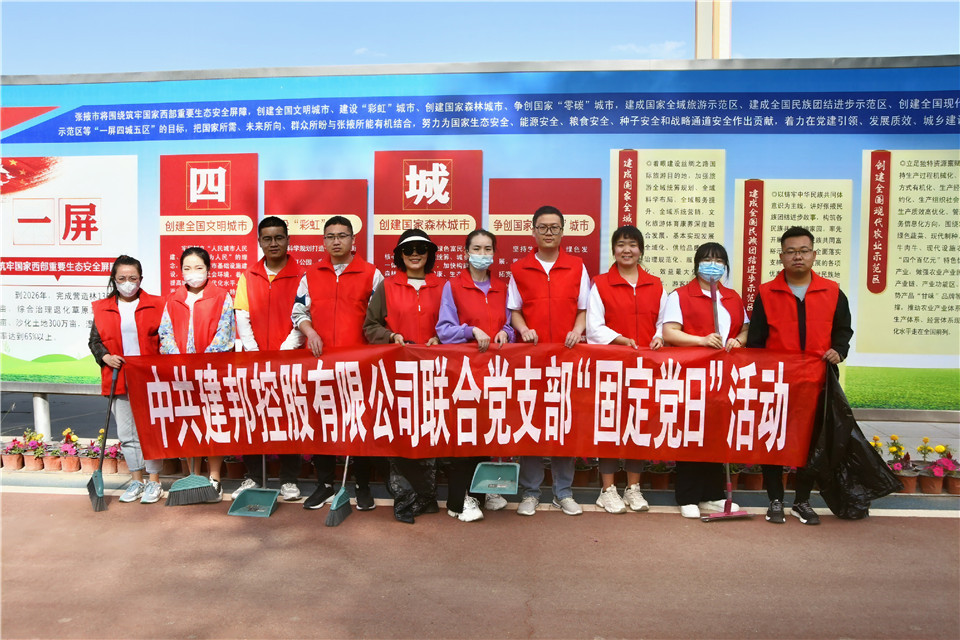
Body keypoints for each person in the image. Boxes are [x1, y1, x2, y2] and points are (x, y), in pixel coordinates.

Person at [747, 226, 853, 526]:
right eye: (791, 251)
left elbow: (843, 331)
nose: (798, 256)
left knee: (811, 443)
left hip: (818, 381)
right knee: (773, 439)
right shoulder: (766, 293)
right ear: (781, 257)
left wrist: (839, 350)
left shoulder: (832, 292)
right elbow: (756, 340)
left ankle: (802, 501)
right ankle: (775, 500)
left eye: (804, 251)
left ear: (814, 255)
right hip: (776, 382)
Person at [291, 216, 384, 511]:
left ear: (353, 240)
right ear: (323, 241)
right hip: (320, 362)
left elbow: (380, 319)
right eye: (330, 236)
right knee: (322, 422)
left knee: (360, 423)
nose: (336, 241)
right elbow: (298, 312)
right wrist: (310, 332)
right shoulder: (311, 274)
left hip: (359, 364)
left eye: (342, 235)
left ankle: (362, 485)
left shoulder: (372, 274)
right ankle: (325, 484)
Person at [508, 205, 589, 517]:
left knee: (564, 424)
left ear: (563, 231)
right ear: (533, 231)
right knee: (531, 422)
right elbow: (514, 310)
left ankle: (563, 492)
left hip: (568, 359)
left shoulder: (577, 266)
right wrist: (523, 329)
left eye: (554, 227)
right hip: (532, 360)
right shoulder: (519, 268)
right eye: (543, 227)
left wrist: (577, 331)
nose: (549, 233)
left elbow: (583, 309)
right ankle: (530, 492)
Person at [662, 242, 748, 519]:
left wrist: (738, 340)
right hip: (691, 376)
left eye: (719, 260)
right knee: (691, 432)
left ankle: (712, 495)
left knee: (716, 433)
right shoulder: (680, 296)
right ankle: (687, 496)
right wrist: (701, 340)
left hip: (724, 377)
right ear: (697, 264)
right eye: (707, 259)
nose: (713, 265)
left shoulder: (732, 297)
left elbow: (745, 328)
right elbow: (669, 332)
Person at [363, 228, 444, 524]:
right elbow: (370, 326)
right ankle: (405, 498)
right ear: (399, 255)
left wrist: (441, 338)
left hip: (434, 373)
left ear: (429, 254)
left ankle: (427, 496)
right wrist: (391, 336)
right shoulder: (387, 285)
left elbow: (453, 324)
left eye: (421, 249)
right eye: (408, 250)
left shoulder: (442, 286)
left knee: (428, 432)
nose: (415, 254)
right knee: (400, 433)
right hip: (397, 373)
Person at [436, 228, 515, 522]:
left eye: (487, 249)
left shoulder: (502, 288)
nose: (482, 254)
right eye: (477, 249)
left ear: (494, 253)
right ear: (466, 252)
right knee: (464, 434)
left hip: (494, 373)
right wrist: (470, 330)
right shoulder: (453, 286)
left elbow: (510, 324)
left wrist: (506, 333)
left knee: (486, 431)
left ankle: (481, 491)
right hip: (463, 374)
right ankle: (459, 500)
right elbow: (444, 330)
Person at [586, 225, 664, 514]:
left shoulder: (655, 285)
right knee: (609, 426)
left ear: (640, 250)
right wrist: (619, 339)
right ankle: (607, 490)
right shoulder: (601, 284)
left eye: (632, 244)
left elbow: (664, 322)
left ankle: (633, 488)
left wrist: (659, 336)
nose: (626, 250)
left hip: (645, 369)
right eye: (621, 244)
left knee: (638, 426)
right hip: (610, 368)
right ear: (614, 250)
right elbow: (594, 327)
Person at [231, 216, 306, 502]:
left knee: (289, 419)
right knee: (253, 418)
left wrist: (283, 352)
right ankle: (254, 476)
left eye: (279, 237)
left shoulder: (302, 276)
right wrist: (256, 353)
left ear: (288, 239)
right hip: (254, 361)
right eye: (267, 238)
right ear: (259, 241)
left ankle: (289, 479)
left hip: (290, 360)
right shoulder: (248, 276)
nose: (273, 243)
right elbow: (242, 316)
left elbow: (304, 316)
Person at [159, 246, 236, 501]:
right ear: (181, 271)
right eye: (187, 268)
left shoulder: (221, 296)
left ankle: (214, 478)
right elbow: (165, 334)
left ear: (208, 269)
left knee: (213, 424)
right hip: (182, 375)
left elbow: (225, 334)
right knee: (189, 424)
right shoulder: (173, 299)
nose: (193, 272)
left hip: (211, 373)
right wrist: (181, 363)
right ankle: (194, 476)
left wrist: (202, 364)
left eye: (199, 267)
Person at [88, 256, 165, 504]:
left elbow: (166, 338)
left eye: (133, 278)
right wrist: (106, 357)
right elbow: (94, 341)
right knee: (127, 433)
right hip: (118, 377)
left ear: (141, 279)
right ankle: (136, 480)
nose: (127, 283)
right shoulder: (102, 308)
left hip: (150, 379)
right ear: (114, 279)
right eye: (122, 278)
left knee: (151, 431)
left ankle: (154, 481)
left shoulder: (157, 305)